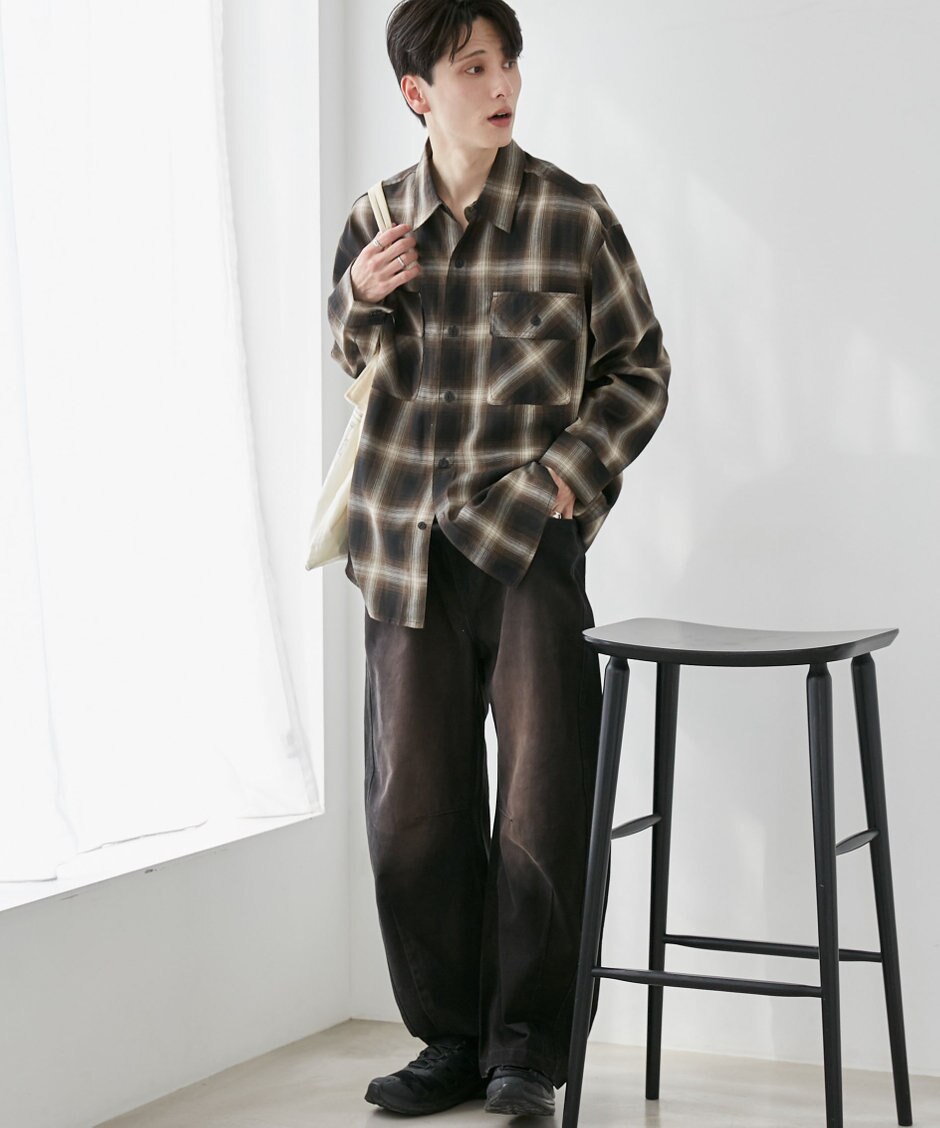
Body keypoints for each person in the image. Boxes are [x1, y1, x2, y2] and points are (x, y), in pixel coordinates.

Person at [327, 0, 670, 1117]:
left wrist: (565, 479)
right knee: (413, 813)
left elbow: (640, 370)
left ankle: (526, 1050)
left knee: (540, 801)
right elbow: (349, 356)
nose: (501, 82)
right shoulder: (377, 219)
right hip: (402, 548)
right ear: (418, 92)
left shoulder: (573, 216)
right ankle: (450, 1040)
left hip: (525, 547)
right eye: (471, 66)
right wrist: (359, 296)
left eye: (507, 60)